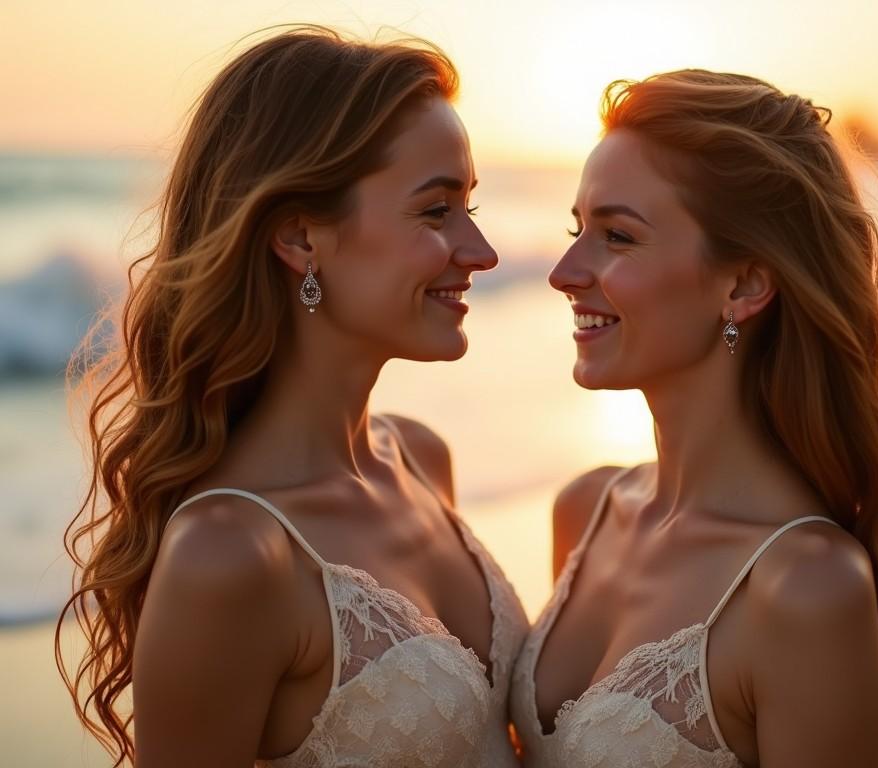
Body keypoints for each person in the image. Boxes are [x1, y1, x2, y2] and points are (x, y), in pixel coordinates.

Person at [57, 25, 527, 767]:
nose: (481, 250)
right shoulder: (230, 555)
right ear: (300, 238)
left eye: (469, 206)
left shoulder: (420, 460)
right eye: (437, 211)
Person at [510, 70, 878, 768]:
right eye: (575, 227)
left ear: (743, 284)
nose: (563, 270)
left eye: (616, 236)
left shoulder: (806, 589)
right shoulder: (588, 511)